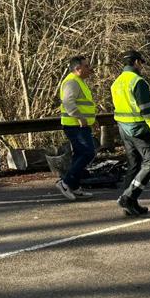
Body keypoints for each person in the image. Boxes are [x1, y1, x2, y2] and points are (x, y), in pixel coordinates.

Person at [110, 50, 150, 216]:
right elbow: (146, 109)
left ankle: (129, 202)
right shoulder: (138, 82)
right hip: (138, 129)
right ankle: (128, 197)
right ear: (137, 62)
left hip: (124, 128)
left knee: (134, 164)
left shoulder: (116, 83)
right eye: (142, 63)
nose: (142, 67)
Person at [57, 55, 97, 201]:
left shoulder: (79, 81)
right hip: (75, 125)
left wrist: (92, 120)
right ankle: (65, 182)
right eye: (86, 66)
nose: (89, 68)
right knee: (88, 153)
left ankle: (73, 185)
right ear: (77, 69)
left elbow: (84, 104)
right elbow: (68, 102)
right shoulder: (72, 82)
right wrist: (80, 117)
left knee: (80, 154)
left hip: (81, 124)